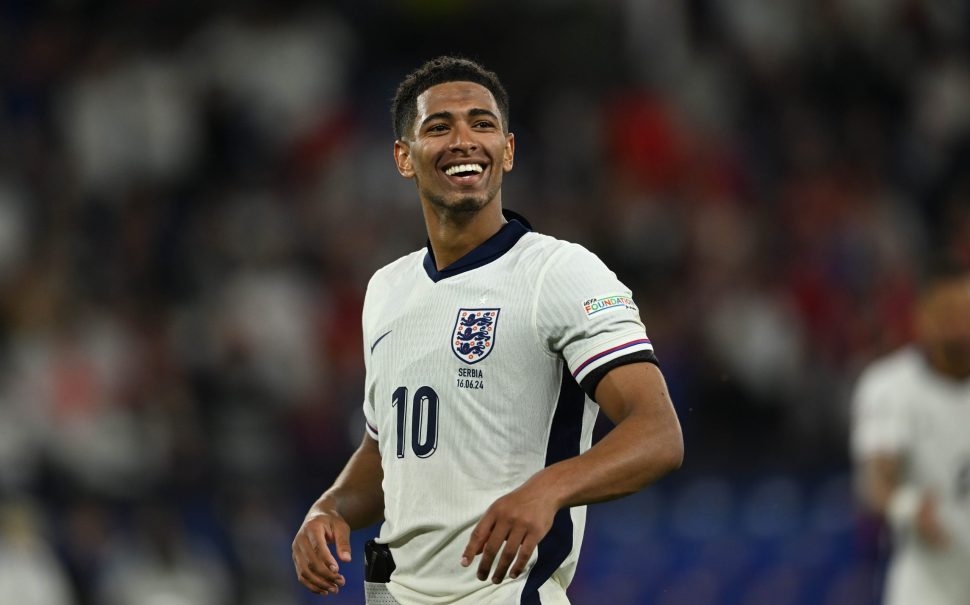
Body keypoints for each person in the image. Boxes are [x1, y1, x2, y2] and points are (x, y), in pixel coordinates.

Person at [291, 56, 684, 604]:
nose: (464, 140)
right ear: (404, 158)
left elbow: (658, 434)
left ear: (508, 149)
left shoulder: (559, 272)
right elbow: (391, 452)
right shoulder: (385, 289)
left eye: (482, 124)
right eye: (438, 127)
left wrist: (549, 488)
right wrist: (327, 507)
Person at [851, 259, 970, 605]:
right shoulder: (890, 386)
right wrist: (909, 507)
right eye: (948, 316)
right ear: (922, 318)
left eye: (966, 314)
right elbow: (875, 480)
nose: (961, 328)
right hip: (929, 585)